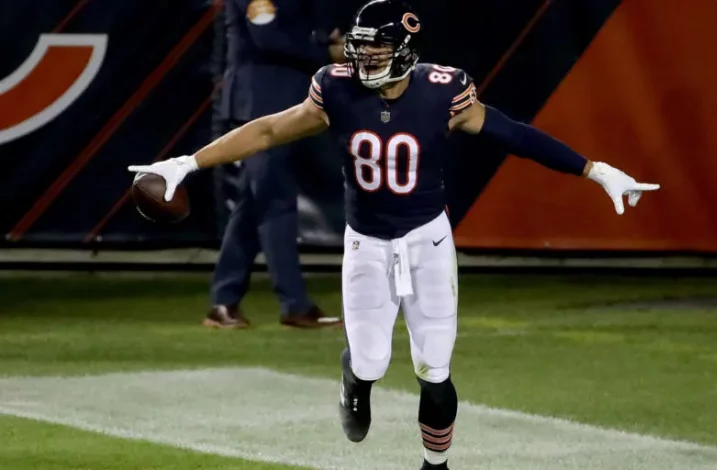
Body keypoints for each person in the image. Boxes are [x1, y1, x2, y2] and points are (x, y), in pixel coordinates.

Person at [128, 0, 660, 467]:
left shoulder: (442, 90)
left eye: (378, 50)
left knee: (435, 365)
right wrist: (189, 163)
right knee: (371, 360)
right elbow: (268, 129)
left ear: (405, 49)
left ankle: (435, 465)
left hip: (428, 239)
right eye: (360, 48)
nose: (365, 59)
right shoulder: (334, 89)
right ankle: (354, 381)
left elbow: (512, 133)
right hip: (366, 242)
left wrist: (594, 170)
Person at [206, 0, 345, 329]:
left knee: (253, 204)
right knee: (276, 199)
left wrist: (325, 42)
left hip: (281, 106)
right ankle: (295, 305)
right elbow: (267, 38)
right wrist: (324, 53)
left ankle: (223, 302)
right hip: (259, 106)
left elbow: (293, 31)